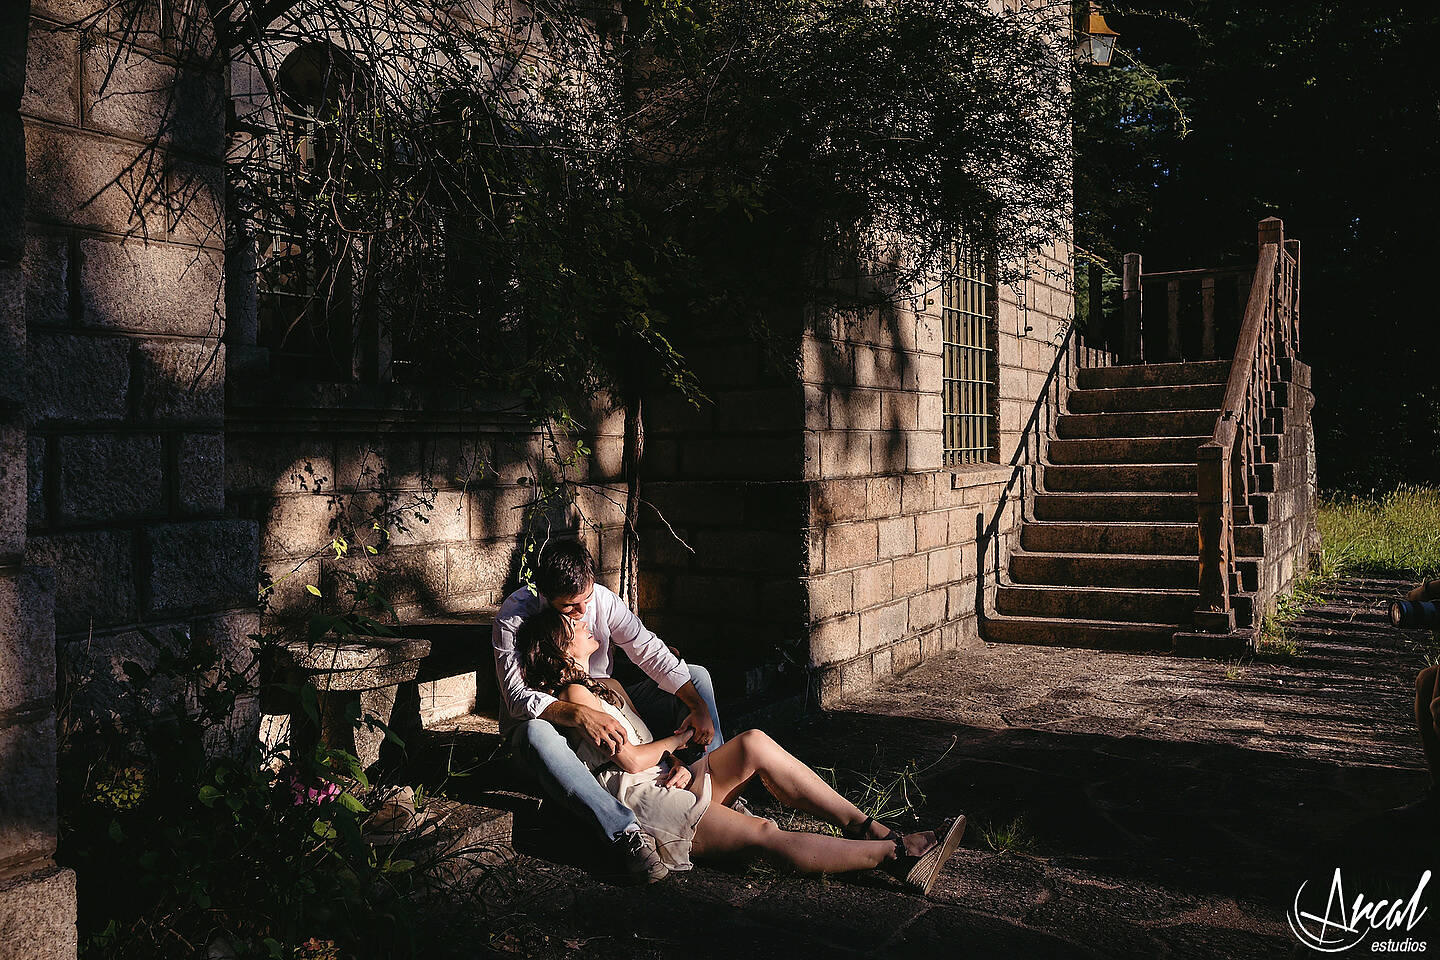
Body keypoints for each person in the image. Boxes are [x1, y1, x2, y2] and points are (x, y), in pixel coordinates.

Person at [514, 605, 968, 896]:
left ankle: (869, 827)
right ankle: (898, 857)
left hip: (663, 774)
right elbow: (630, 760)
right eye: (571, 625)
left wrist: (674, 758)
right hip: (645, 800)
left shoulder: (607, 685)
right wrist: (678, 742)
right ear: (560, 648)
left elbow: (640, 741)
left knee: (752, 742)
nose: (581, 622)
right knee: (764, 835)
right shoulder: (576, 697)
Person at [491, 539, 727, 883]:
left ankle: (710, 789)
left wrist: (698, 706)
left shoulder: (601, 599)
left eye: (586, 600)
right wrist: (578, 714)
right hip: (557, 730)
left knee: (697, 678)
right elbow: (517, 697)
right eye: (570, 607)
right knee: (532, 731)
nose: (583, 613)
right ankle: (625, 834)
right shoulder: (514, 616)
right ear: (545, 597)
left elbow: (649, 650)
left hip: (605, 703)